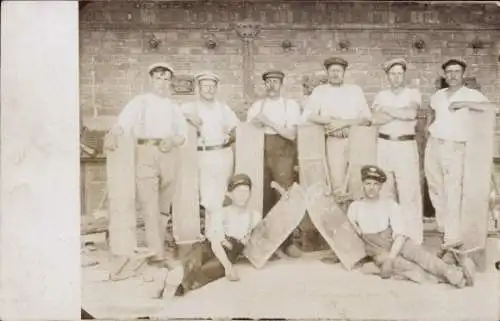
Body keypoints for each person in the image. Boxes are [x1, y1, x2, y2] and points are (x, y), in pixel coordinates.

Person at [106, 62, 188, 263]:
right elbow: (123, 124)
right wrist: (112, 133)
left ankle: (157, 246)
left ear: (170, 83)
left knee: (163, 205)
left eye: (166, 79)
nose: (162, 83)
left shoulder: (173, 106)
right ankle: (157, 253)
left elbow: (182, 135)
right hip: (145, 152)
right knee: (149, 204)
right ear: (151, 80)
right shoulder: (140, 102)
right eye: (158, 78)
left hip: (169, 154)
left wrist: (173, 140)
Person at [348, 165, 475, 288]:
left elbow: (400, 235)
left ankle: (450, 272)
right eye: (368, 183)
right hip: (378, 251)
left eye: (376, 184)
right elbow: (355, 233)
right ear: (362, 185)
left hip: (397, 242)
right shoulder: (355, 207)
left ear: (381, 186)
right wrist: (383, 260)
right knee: (407, 267)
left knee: (420, 255)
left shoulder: (390, 205)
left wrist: (391, 258)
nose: (371, 188)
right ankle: (453, 274)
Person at [425, 58, 495, 252]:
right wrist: (428, 132)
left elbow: (493, 109)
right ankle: (444, 228)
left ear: (463, 74)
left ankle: (452, 238)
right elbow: (431, 114)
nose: (453, 75)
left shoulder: (472, 94)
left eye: (456, 71)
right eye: (449, 72)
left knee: (452, 190)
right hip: (435, 145)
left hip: (455, 147)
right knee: (435, 187)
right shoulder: (438, 95)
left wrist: (464, 103)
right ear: (444, 75)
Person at [158, 173, 261, 299]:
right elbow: (215, 242)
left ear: (250, 193)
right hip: (210, 246)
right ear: (230, 194)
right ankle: (174, 279)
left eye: (246, 191)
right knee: (194, 259)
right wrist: (229, 268)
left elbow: (257, 242)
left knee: (211, 269)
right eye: (238, 191)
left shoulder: (255, 217)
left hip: (229, 252)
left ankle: (171, 282)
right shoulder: (221, 213)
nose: (242, 196)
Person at [246, 70, 303, 258]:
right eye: (268, 81)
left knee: (283, 196)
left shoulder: (291, 106)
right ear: (264, 85)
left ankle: (288, 243)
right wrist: (258, 122)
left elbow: (291, 134)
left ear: (281, 84)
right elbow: (248, 130)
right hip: (260, 151)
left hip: (284, 153)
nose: (272, 85)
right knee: (262, 196)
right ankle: (267, 245)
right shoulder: (256, 106)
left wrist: (268, 122)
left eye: (275, 82)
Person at [369, 58, 424, 245]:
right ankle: (389, 236)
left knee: (409, 193)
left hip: (405, 146)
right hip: (384, 145)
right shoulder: (381, 95)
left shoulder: (413, 93)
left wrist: (388, 111)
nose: (396, 77)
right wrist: (398, 112)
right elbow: (376, 119)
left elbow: (411, 114)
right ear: (387, 76)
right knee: (385, 192)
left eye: (400, 73)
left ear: (404, 75)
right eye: (392, 74)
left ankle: (413, 239)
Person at [303, 57, 371, 195]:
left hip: (357, 140)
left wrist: (345, 123)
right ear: (327, 73)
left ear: (344, 72)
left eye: (339, 70)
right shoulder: (320, 91)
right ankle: (339, 213)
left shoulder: (355, 90)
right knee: (337, 181)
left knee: (357, 181)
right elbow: (308, 115)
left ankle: (355, 214)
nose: (335, 74)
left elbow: (367, 119)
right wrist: (328, 121)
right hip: (334, 141)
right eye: (332, 70)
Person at [182, 72, 240, 232]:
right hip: (201, 155)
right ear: (198, 88)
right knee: (206, 197)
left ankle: (215, 235)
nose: (209, 89)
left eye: (212, 86)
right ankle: (212, 235)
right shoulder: (189, 108)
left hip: (222, 153)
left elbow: (236, 129)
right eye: (205, 86)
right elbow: (172, 119)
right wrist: (186, 117)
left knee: (221, 195)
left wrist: (230, 138)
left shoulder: (223, 108)